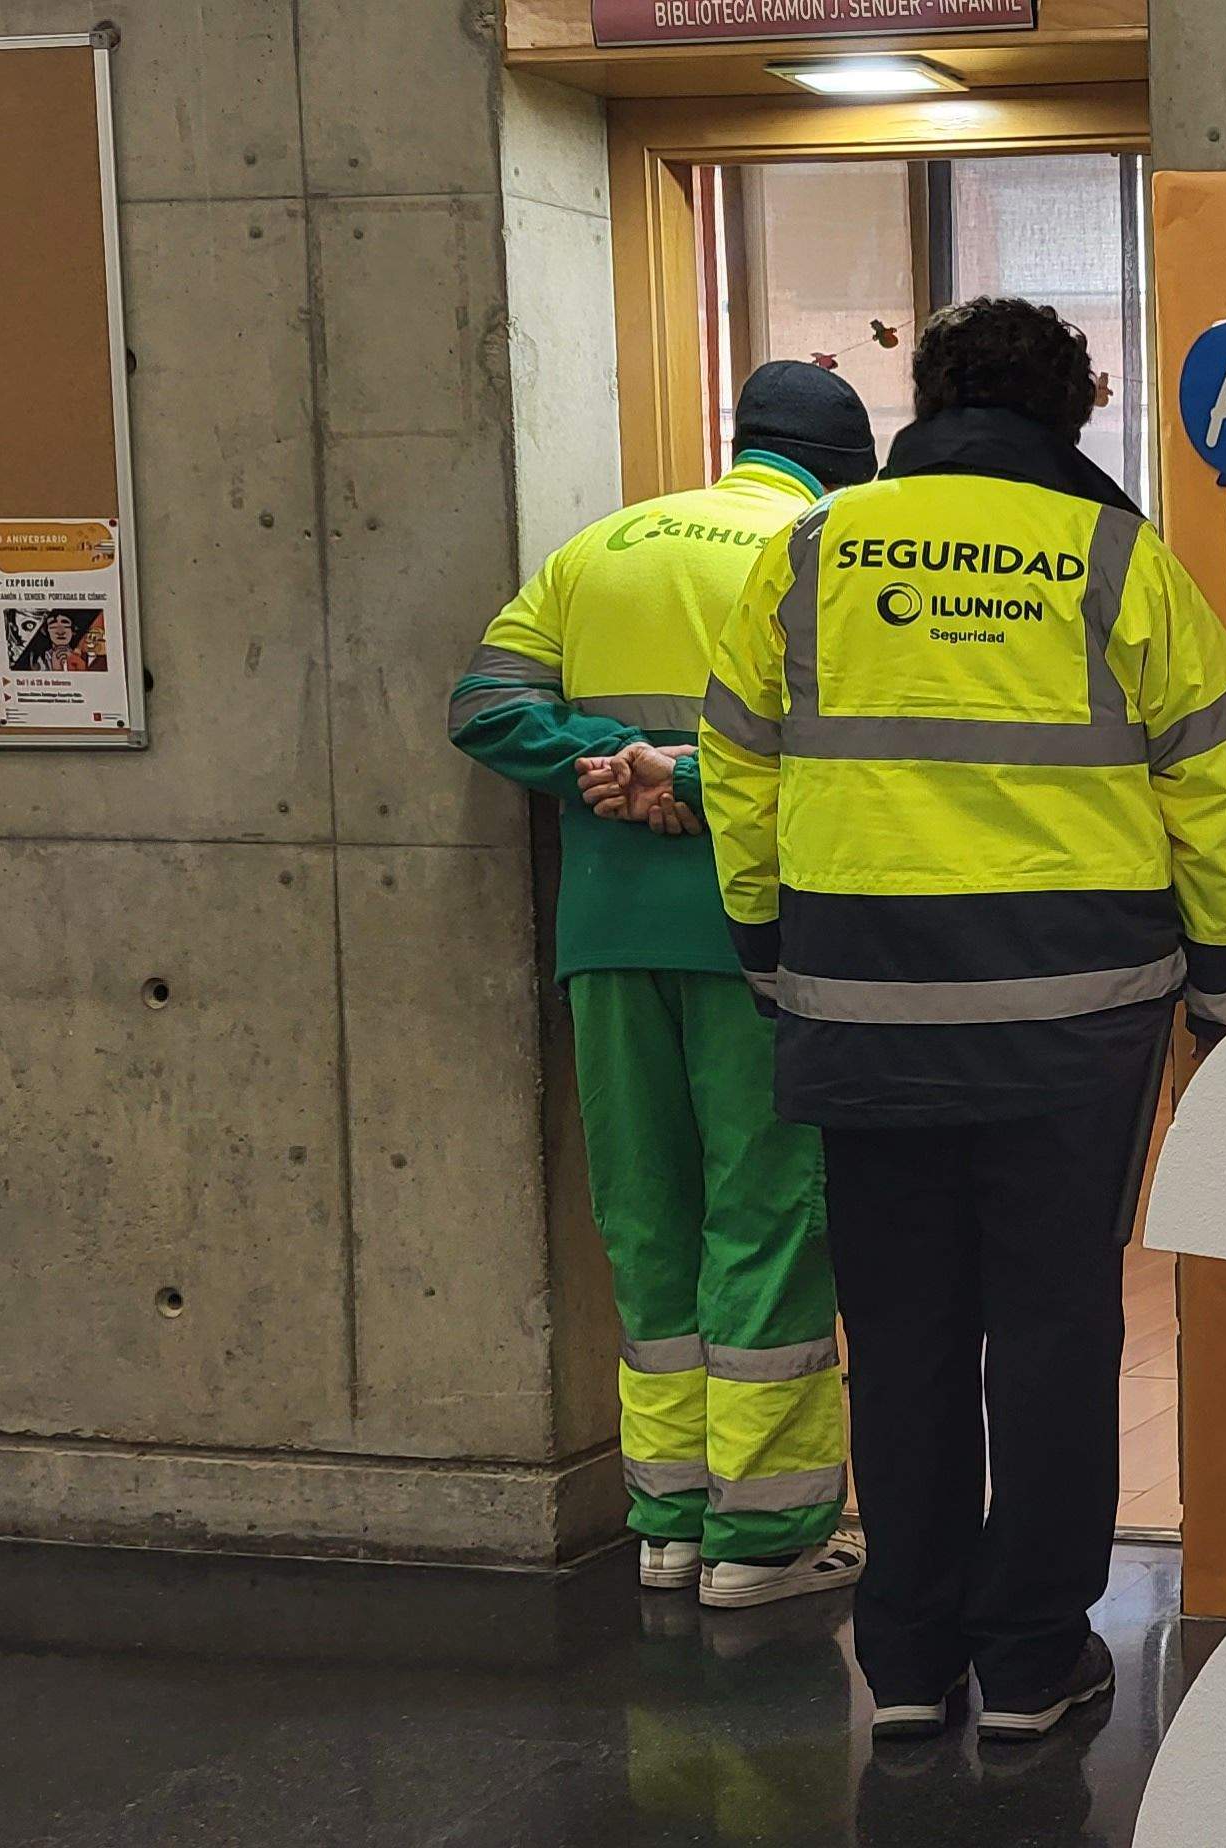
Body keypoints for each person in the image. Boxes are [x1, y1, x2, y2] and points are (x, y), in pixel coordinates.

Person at [693, 297, 1226, 1743]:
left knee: (898, 1335)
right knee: (1057, 1330)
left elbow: (735, 763)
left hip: (862, 1006)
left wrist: (768, 942)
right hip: (1073, 1023)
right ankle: (1030, 1662)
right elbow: (1216, 775)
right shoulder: (1114, 558)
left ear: (929, 398)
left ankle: (902, 1663)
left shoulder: (811, 552)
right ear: (1072, 409)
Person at [451, 361, 882, 1610]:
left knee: (646, 1222)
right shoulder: (823, 549)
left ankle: (668, 1524)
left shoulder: (604, 547)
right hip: (754, 937)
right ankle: (768, 1543)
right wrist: (683, 774)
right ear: (845, 469)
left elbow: (484, 705)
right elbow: (850, 744)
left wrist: (606, 760)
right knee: (767, 1216)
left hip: (606, 938)